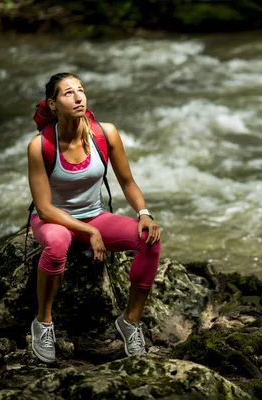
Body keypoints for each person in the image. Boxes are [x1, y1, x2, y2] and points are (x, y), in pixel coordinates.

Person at [26, 72, 161, 363]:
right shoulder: (39, 146)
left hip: (95, 215)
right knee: (57, 244)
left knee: (148, 239)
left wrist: (144, 213)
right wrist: (88, 233)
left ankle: (130, 322)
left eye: (81, 90)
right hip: (53, 221)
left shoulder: (105, 132)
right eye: (68, 93)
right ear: (52, 104)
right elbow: (45, 208)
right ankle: (43, 323)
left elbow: (127, 182)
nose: (78, 97)